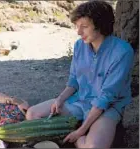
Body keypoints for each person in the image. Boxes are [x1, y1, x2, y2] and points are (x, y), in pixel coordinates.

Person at [26, 0, 134, 148]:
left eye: (84, 27)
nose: (78, 32)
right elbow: (74, 80)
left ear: (100, 25)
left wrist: (80, 132)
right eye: (77, 26)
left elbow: (106, 97)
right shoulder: (79, 45)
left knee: (94, 147)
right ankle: (71, 133)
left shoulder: (122, 51)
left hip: (108, 107)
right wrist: (60, 99)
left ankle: (77, 137)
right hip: (80, 101)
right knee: (32, 114)